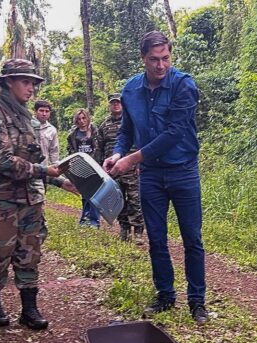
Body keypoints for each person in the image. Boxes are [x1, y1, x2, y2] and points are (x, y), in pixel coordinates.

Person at [103, 31, 208, 325]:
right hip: (151, 175)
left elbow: (174, 133)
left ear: (170, 55)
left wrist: (132, 159)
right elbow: (126, 130)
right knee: (157, 239)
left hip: (183, 171)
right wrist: (117, 152)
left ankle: (197, 301)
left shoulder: (183, 85)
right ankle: (165, 295)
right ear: (143, 59)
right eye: (153, 60)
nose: (160, 65)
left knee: (192, 238)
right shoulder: (130, 90)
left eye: (165, 58)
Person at [0, 59, 66, 329]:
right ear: (8, 82)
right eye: (25, 82)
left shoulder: (27, 118)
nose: (31, 88)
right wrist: (47, 171)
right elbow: (3, 161)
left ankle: (29, 309)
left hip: (29, 198)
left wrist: (59, 181)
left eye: (33, 83)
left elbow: (36, 160)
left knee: (30, 252)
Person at [97, 93, 145, 243]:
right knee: (117, 200)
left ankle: (138, 231)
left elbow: (141, 144)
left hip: (131, 168)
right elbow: (100, 147)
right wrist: (100, 168)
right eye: (113, 103)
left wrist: (139, 163)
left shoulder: (131, 122)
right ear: (109, 105)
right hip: (112, 170)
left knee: (135, 200)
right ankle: (124, 230)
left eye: (118, 102)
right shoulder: (104, 126)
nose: (116, 105)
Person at [67, 108, 100, 228]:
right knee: (85, 193)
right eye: (79, 119)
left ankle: (94, 221)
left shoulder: (95, 131)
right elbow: (71, 150)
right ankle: (84, 219)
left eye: (84, 118)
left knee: (95, 194)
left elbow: (98, 148)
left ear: (87, 117)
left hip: (94, 166)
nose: (82, 121)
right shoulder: (73, 134)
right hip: (80, 166)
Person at [34, 100, 59, 165]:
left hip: (44, 167)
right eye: (41, 111)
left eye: (47, 111)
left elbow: (54, 151)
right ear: (35, 111)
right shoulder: (28, 125)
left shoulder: (52, 130)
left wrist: (55, 166)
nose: (44, 114)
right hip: (29, 167)